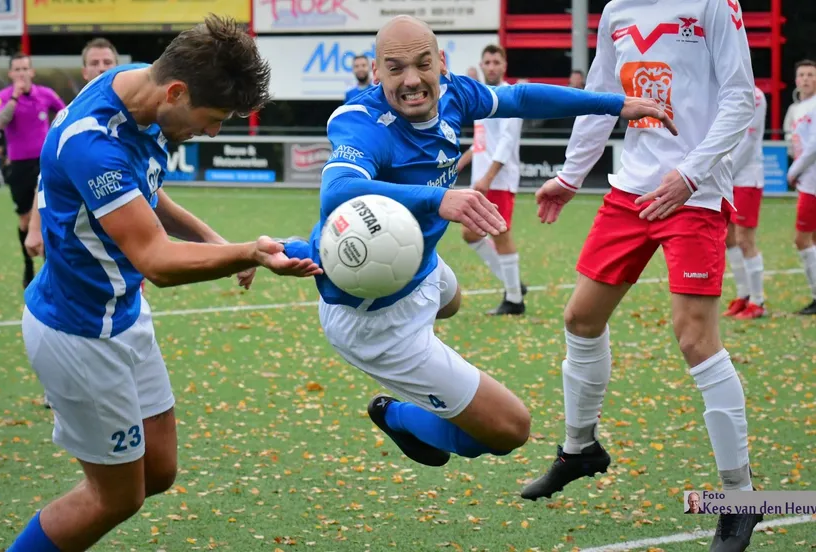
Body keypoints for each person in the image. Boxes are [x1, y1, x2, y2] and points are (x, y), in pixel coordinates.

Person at [282, 15, 673, 470]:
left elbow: (521, 97)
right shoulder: (362, 122)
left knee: (451, 301)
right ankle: (398, 415)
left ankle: (292, 247)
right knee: (508, 430)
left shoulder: (454, 93)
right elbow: (336, 192)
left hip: (420, 267)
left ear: (442, 64)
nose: (411, 80)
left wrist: (614, 104)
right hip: (373, 318)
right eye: (395, 68)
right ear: (376, 71)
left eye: (422, 64)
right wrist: (440, 198)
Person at [6, 15, 320, 552]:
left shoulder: (140, 88)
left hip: (125, 315)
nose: (215, 131)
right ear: (177, 91)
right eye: (214, 118)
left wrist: (211, 237)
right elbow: (156, 261)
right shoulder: (94, 142)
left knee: (159, 471)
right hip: (78, 334)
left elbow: (144, 193)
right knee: (117, 498)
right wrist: (247, 252)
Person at [520, 1, 762, 549]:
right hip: (631, 191)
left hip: (694, 194)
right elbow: (602, 101)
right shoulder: (616, 10)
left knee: (695, 337)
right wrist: (569, 175)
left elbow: (739, 97)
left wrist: (690, 173)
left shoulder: (712, 4)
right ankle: (580, 449)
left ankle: (741, 495)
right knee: (581, 318)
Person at [26, 37, 120, 259]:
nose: (101, 68)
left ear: (117, 67)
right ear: (84, 71)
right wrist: (33, 228)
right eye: (94, 63)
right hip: (74, 236)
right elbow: (46, 176)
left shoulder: (135, 119)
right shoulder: (66, 118)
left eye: (107, 62)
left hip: (121, 233)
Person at [457, 44, 527, 315]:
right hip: (483, 180)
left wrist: (487, 176)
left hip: (498, 179)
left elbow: (506, 143)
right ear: (482, 65)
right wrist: (460, 163)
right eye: (487, 62)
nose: (492, 66)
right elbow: (482, 141)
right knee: (469, 233)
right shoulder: (483, 97)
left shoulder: (510, 96)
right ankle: (514, 285)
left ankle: (514, 300)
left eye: (496, 61)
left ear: (504, 65)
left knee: (500, 234)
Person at [0, 53, 66, 288]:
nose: (22, 73)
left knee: (46, 215)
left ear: (32, 72)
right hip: (19, 166)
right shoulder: (2, 97)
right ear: (11, 73)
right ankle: (27, 264)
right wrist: (14, 97)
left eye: (25, 68)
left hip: (45, 164)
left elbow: (65, 113)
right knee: (25, 219)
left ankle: (49, 267)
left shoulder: (45, 94)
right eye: (17, 69)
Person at [723, 87, 768, 319]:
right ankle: (744, 295)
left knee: (744, 239)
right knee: (728, 237)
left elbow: (749, 139)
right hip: (726, 176)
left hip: (746, 177)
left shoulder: (755, 95)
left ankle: (758, 301)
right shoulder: (721, 87)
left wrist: (726, 172)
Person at [786, 59, 816, 315]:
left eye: (810, 75)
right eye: (802, 75)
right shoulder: (798, 108)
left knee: (802, 239)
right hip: (806, 180)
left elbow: (813, 146)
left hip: (811, 182)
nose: (805, 79)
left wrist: (793, 171)